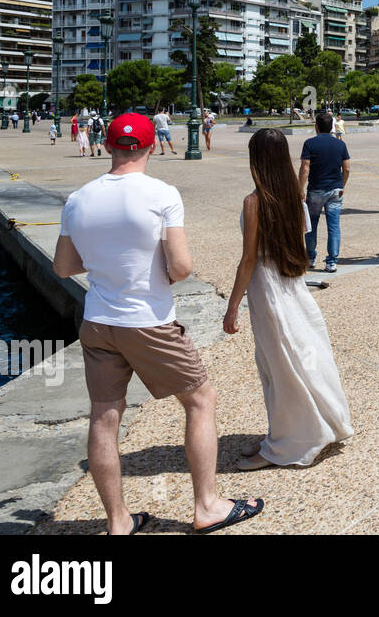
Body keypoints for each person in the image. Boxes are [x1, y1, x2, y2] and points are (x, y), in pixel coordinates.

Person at [52, 113, 263, 534]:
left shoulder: (78, 199)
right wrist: (154, 274)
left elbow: (63, 266)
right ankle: (207, 506)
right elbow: (182, 266)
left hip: (98, 321)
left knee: (103, 418)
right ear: (151, 147)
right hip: (147, 321)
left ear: (109, 146)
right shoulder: (161, 194)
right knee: (200, 400)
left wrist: (107, 265)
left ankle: (118, 522)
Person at [223, 128, 355, 471]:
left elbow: (248, 259)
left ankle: (286, 444)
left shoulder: (254, 201)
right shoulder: (294, 198)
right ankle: (300, 429)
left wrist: (233, 305)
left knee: (278, 366)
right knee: (303, 357)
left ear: (257, 160)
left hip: (267, 290)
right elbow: (300, 246)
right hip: (292, 286)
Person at [298, 111, 350, 273]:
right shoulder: (340, 144)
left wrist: (300, 189)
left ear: (317, 127)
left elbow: (305, 168)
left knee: (311, 225)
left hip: (315, 190)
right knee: (333, 226)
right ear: (332, 127)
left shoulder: (309, 143)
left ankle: (311, 257)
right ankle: (332, 262)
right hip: (335, 190)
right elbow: (347, 168)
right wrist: (342, 185)